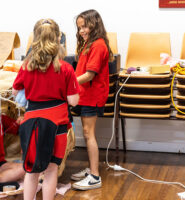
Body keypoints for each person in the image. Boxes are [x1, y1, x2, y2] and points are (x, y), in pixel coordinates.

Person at [12, 19, 79, 200]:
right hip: (57, 125)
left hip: (32, 124)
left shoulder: (26, 66)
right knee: (51, 171)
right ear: (58, 38)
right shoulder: (65, 68)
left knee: (31, 170)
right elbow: (73, 101)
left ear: (35, 38)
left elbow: (15, 91)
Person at [70, 9, 114, 190]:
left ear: (94, 24)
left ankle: (95, 176)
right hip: (84, 94)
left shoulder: (98, 45)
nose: (81, 30)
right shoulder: (89, 43)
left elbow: (89, 75)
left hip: (92, 96)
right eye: (79, 27)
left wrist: (67, 83)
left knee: (89, 134)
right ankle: (91, 169)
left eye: (85, 26)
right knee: (87, 134)